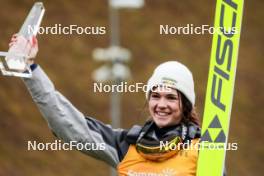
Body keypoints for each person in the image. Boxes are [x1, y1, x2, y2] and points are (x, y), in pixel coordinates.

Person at [9, 34, 203, 176]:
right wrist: (30, 68)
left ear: (185, 105)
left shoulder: (201, 149)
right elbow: (70, 124)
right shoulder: (126, 145)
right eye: (155, 96)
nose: (161, 104)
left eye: (170, 97)